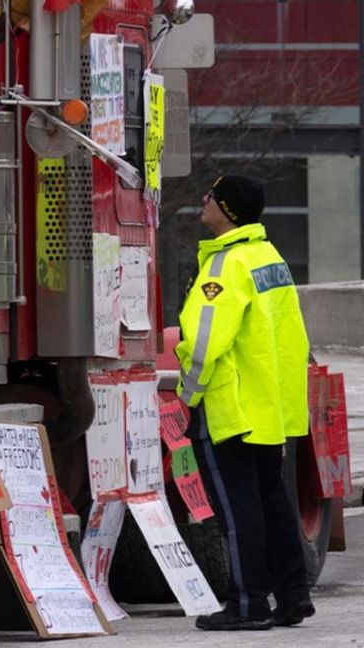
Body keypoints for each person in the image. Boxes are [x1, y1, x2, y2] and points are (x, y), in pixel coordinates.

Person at [176, 174, 314, 631]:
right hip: (266, 407)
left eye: (211, 197)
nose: (203, 200)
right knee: (272, 503)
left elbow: (203, 342)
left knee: (239, 512)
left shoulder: (226, 265)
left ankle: (248, 604)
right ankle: (292, 597)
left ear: (228, 210)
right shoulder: (269, 258)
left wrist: (188, 394)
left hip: (229, 408)